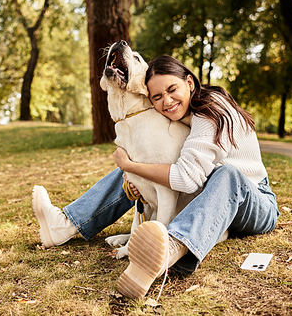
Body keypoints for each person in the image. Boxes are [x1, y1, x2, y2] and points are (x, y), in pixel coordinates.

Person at [31, 55, 279, 299]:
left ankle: (168, 249)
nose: (167, 101)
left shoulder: (212, 109)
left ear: (190, 82)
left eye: (172, 89)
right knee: (143, 163)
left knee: (226, 174)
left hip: (254, 202)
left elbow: (186, 179)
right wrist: (134, 178)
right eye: (157, 97)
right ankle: (65, 224)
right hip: (212, 209)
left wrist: (133, 166)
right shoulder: (181, 113)